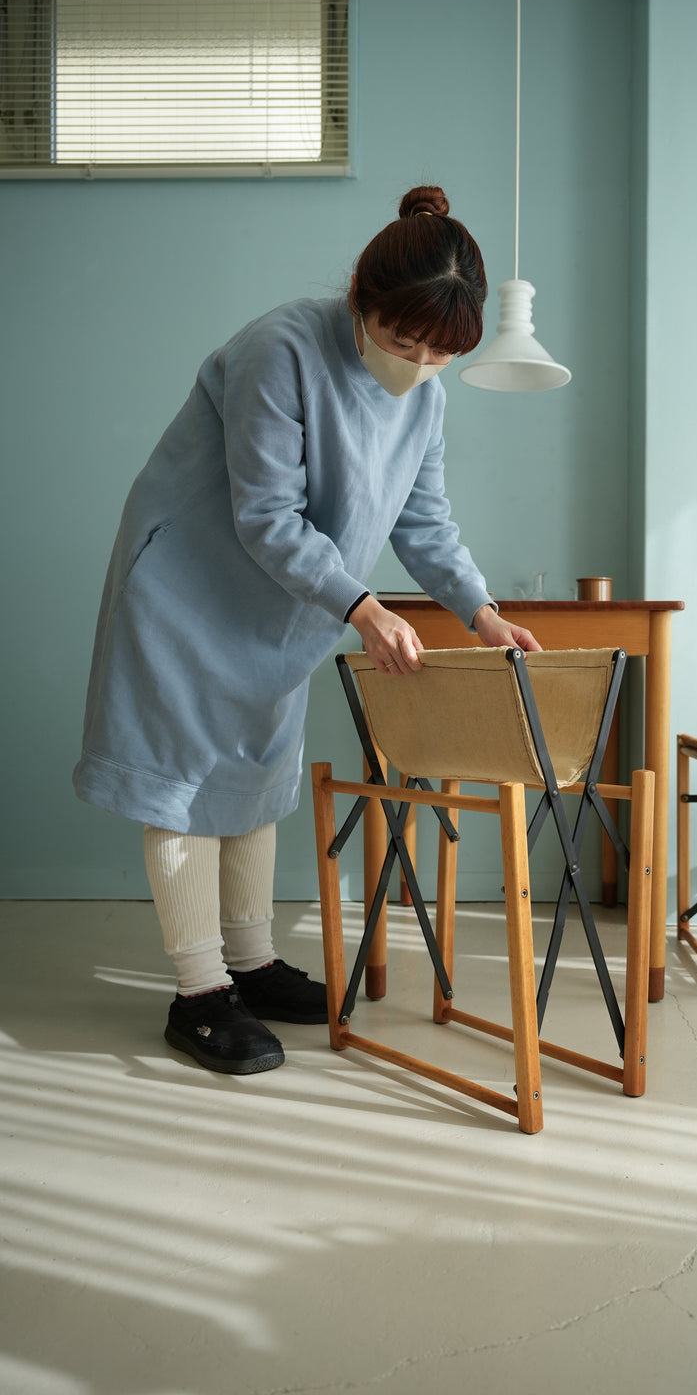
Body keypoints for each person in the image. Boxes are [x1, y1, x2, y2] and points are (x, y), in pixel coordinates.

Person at [74, 184, 541, 1076]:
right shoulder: (278, 348)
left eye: (437, 355)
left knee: (255, 777)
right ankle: (200, 990)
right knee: (183, 780)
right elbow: (268, 516)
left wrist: (481, 614)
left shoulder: (425, 397)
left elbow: (424, 522)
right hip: (188, 589)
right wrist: (363, 608)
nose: (414, 365)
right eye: (402, 343)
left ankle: (248, 965)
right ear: (361, 300)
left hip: (287, 604)